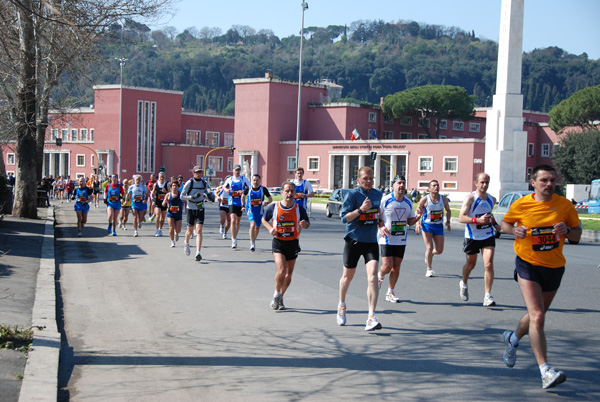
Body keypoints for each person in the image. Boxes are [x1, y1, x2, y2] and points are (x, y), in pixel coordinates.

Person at [500, 165, 581, 390]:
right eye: (544, 180)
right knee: (537, 316)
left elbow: (577, 234)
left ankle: (513, 339)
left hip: (554, 267)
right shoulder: (522, 204)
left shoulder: (565, 205)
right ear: (533, 183)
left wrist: (567, 231)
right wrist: (512, 230)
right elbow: (505, 223)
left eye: (552, 180)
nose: (549, 184)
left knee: (538, 315)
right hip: (528, 264)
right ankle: (545, 371)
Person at [336, 166, 383, 331]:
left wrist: (381, 224)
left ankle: (371, 316)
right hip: (354, 241)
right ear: (358, 180)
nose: (369, 181)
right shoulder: (352, 194)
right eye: (365, 179)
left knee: (372, 278)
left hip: (371, 242)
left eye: (371, 178)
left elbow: (378, 215)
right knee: (347, 278)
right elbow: (344, 218)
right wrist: (360, 210)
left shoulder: (378, 194)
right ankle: (341, 305)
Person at [262, 181, 310, 311]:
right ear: (282, 192)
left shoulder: (299, 209)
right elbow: (263, 219)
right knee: (281, 270)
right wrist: (270, 228)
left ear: (295, 193)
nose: (289, 194)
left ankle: (280, 297)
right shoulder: (274, 207)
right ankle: (276, 293)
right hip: (279, 242)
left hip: (293, 243)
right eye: (287, 191)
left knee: (289, 274)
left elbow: (307, 224)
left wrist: (304, 224)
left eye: (291, 191)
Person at [458, 173, 502, 307]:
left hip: (487, 235)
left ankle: (487, 296)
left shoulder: (492, 199)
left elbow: (489, 214)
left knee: (488, 264)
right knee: (471, 265)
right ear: (475, 183)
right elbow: (461, 218)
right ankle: (464, 282)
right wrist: (477, 220)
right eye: (482, 182)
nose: (485, 185)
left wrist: (495, 224)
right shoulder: (470, 198)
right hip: (472, 236)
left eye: (487, 182)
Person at [377, 176, 422, 303]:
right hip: (386, 238)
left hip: (401, 238)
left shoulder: (408, 202)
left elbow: (410, 221)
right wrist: (381, 227)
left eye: (403, 183)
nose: (401, 185)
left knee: (396, 267)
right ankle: (379, 277)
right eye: (399, 183)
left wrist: (418, 216)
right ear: (393, 185)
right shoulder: (385, 200)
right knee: (387, 265)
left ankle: (390, 292)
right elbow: (377, 217)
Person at [415, 180, 451, 277]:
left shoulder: (443, 199)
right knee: (429, 247)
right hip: (427, 226)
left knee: (439, 250)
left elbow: (448, 210)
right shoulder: (425, 199)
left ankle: (429, 255)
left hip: (438, 226)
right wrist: (417, 223)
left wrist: (448, 221)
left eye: (437, 185)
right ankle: (429, 269)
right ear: (429, 188)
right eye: (434, 185)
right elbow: (417, 211)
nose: (436, 187)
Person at [181, 166, 215, 261]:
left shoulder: (204, 183)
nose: (199, 174)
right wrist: (192, 196)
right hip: (191, 208)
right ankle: (186, 243)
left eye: (200, 172)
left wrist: (210, 196)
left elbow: (209, 191)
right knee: (190, 231)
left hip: (200, 207)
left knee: (199, 230)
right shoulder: (189, 183)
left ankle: (198, 252)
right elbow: (181, 196)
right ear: (193, 173)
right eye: (197, 172)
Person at [242, 174, 272, 251]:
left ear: (259, 180)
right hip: (250, 210)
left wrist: (266, 202)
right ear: (252, 180)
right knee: (252, 225)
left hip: (260, 211)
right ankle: (252, 243)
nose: (255, 182)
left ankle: (253, 240)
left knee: (257, 227)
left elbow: (270, 199)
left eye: (257, 180)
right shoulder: (248, 189)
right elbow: (242, 196)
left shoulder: (263, 189)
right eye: (254, 180)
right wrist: (243, 206)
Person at [224, 164, 251, 249]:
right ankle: (233, 239)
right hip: (232, 201)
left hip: (240, 202)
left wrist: (243, 191)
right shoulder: (230, 179)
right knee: (233, 220)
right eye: (236, 170)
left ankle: (235, 236)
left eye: (239, 170)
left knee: (237, 222)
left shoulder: (243, 179)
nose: (237, 171)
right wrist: (227, 190)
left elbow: (250, 187)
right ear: (233, 170)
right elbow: (224, 187)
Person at [163, 181, 184, 248]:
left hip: (178, 213)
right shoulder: (168, 195)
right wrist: (164, 203)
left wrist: (186, 209)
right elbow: (164, 202)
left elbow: (185, 202)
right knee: (171, 227)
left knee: (178, 229)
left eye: (176, 186)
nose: (174, 187)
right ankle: (172, 241)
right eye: (173, 186)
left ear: (178, 187)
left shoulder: (180, 194)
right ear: (171, 187)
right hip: (170, 213)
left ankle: (177, 233)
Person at [152, 172, 169, 237]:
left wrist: (166, 192)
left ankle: (160, 229)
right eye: (160, 177)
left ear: (164, 177)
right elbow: (152, 193)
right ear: (158, 177)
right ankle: (157, 229)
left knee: (162, 218)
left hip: (164, 203)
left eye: (163, 177)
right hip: (157, 203)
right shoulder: (156, 184)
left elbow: (170, 193)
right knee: (158, 215)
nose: (162, 178)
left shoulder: (167, 184)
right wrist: (153, 198)